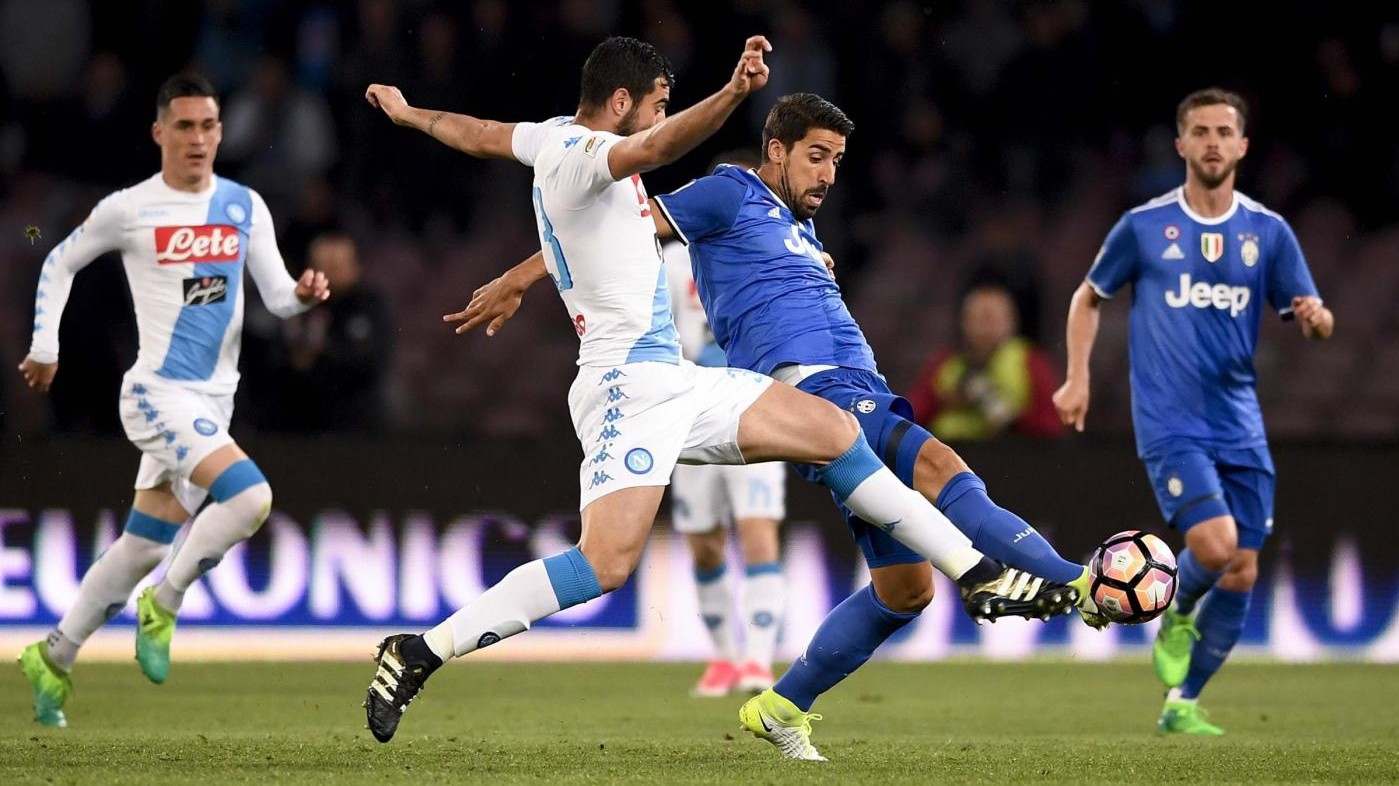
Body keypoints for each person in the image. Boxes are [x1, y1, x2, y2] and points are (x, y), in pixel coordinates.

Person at [362, 36, 1073, 753]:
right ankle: (419, 652)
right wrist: (734, 93)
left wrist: (410, 114)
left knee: (832, 431)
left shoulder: (545, 138)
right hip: (624, 388)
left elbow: (478, 134)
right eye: (656, 103)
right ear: (620, 104)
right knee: (603, 565)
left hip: (675, 377)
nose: (660, 116)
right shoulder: (581, 153)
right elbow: (655, 149)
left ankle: (979, 574)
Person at [15, 73, 330, 728]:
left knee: (144, 544)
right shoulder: (130, 209)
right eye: (183, 127)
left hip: (214, 403)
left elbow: (274, 296)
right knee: (250, 497)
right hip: (157, 395)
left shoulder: (244, 205)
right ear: (159, 133)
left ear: (220, 131)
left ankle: (54, 656)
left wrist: (301, 296)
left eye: (208, 126)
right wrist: (46, 344)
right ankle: (165, 601)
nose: (197, 138)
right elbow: (59, 262)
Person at [1052, 87, 1334, 736]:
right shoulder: (1144, 227)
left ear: (1241, 146)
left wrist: (1317, 321)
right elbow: (1087, 297)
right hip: (1170, 419)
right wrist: (1076, 380)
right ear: (1180, 145)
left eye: (1222, 132)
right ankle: (1173, 606)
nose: (1211, 142)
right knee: (1215, 544)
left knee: (1242, 568)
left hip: (1239, 421)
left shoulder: (1268, 232)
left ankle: (1180, 701)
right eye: (1199, 132)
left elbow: (1312, 319)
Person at [664, 149, 787, 697]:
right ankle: (723, 658)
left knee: (758, 530)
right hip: (690, 409)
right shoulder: (669, 260)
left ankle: (758, 662)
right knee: (703, 541)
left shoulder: (768, 249)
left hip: (755, 405)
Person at [906, 279, 1063, 440]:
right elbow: (908, 422)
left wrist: (1013, 419)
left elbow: (1052, 426)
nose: (986, 328)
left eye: (993, 318)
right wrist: (947, 401)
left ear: (1011, 322)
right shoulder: (943, 366)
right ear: (964, 322)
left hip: (1013, 457)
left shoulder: (1031, 362)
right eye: (979, 318)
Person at [280, 232, 393, 433]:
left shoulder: (370, 304)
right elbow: (278, 355)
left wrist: (318, 359)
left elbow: (370, 360)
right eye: (323, 265)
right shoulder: (298, 304)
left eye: (337, 265)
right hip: (301, 422)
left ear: (355, 266)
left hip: (358, 422)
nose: (329, 273)